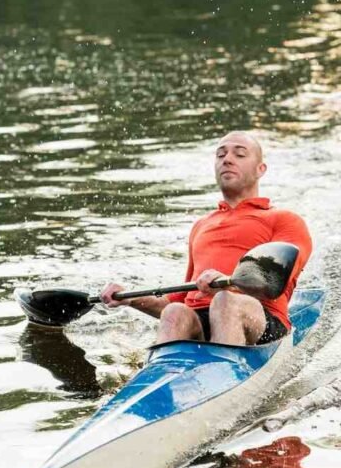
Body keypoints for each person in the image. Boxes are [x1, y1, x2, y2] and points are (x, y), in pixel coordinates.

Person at [100, 131, 312, 346]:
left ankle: (224, 363)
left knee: (224, 302)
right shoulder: (201, 225)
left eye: (239, 154)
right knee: (174, 312)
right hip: (201, 318)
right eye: (220, 155)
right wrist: (130, 298)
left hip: (260, 319)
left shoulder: (285, 219)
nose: (227, 159)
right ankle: (165, 365)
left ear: (260, 169)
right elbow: (178, 299)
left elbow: (277, 278)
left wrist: (227, 286)